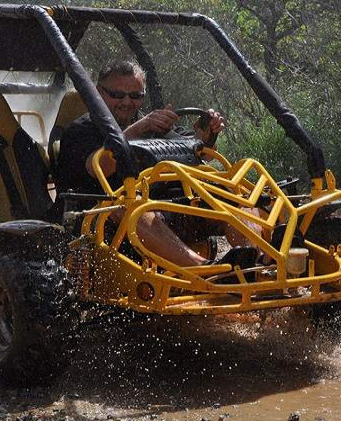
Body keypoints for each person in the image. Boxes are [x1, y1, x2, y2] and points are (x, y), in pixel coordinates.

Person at [57, 60, 260, 268]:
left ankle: (252, 263)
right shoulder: (79, 131)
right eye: (118, 95)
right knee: (128, 206)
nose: (127, 102)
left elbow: (196, 152)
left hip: (160, 213)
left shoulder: (152, 126)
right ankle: (204, 271)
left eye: (136, 96)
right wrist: (138, 128)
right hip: (101, 219)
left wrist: (205, 136)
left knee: (232, 194)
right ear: (99, 93)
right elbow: (99, 166)